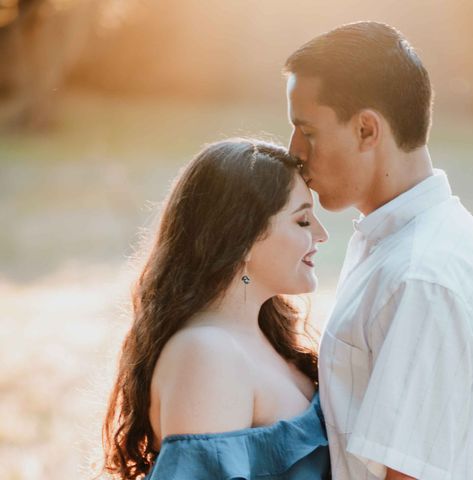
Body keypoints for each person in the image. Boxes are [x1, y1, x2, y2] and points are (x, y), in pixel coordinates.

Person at [285, 21, 473, 480]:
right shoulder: (399, 242)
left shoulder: (422, 276)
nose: (294, 151)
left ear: (367, 130)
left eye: (307, 131)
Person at [102, 139, 330, 480]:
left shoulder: (262, 337)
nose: (322, 234)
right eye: (302, 221)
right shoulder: (206, 354)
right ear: (244, 236)